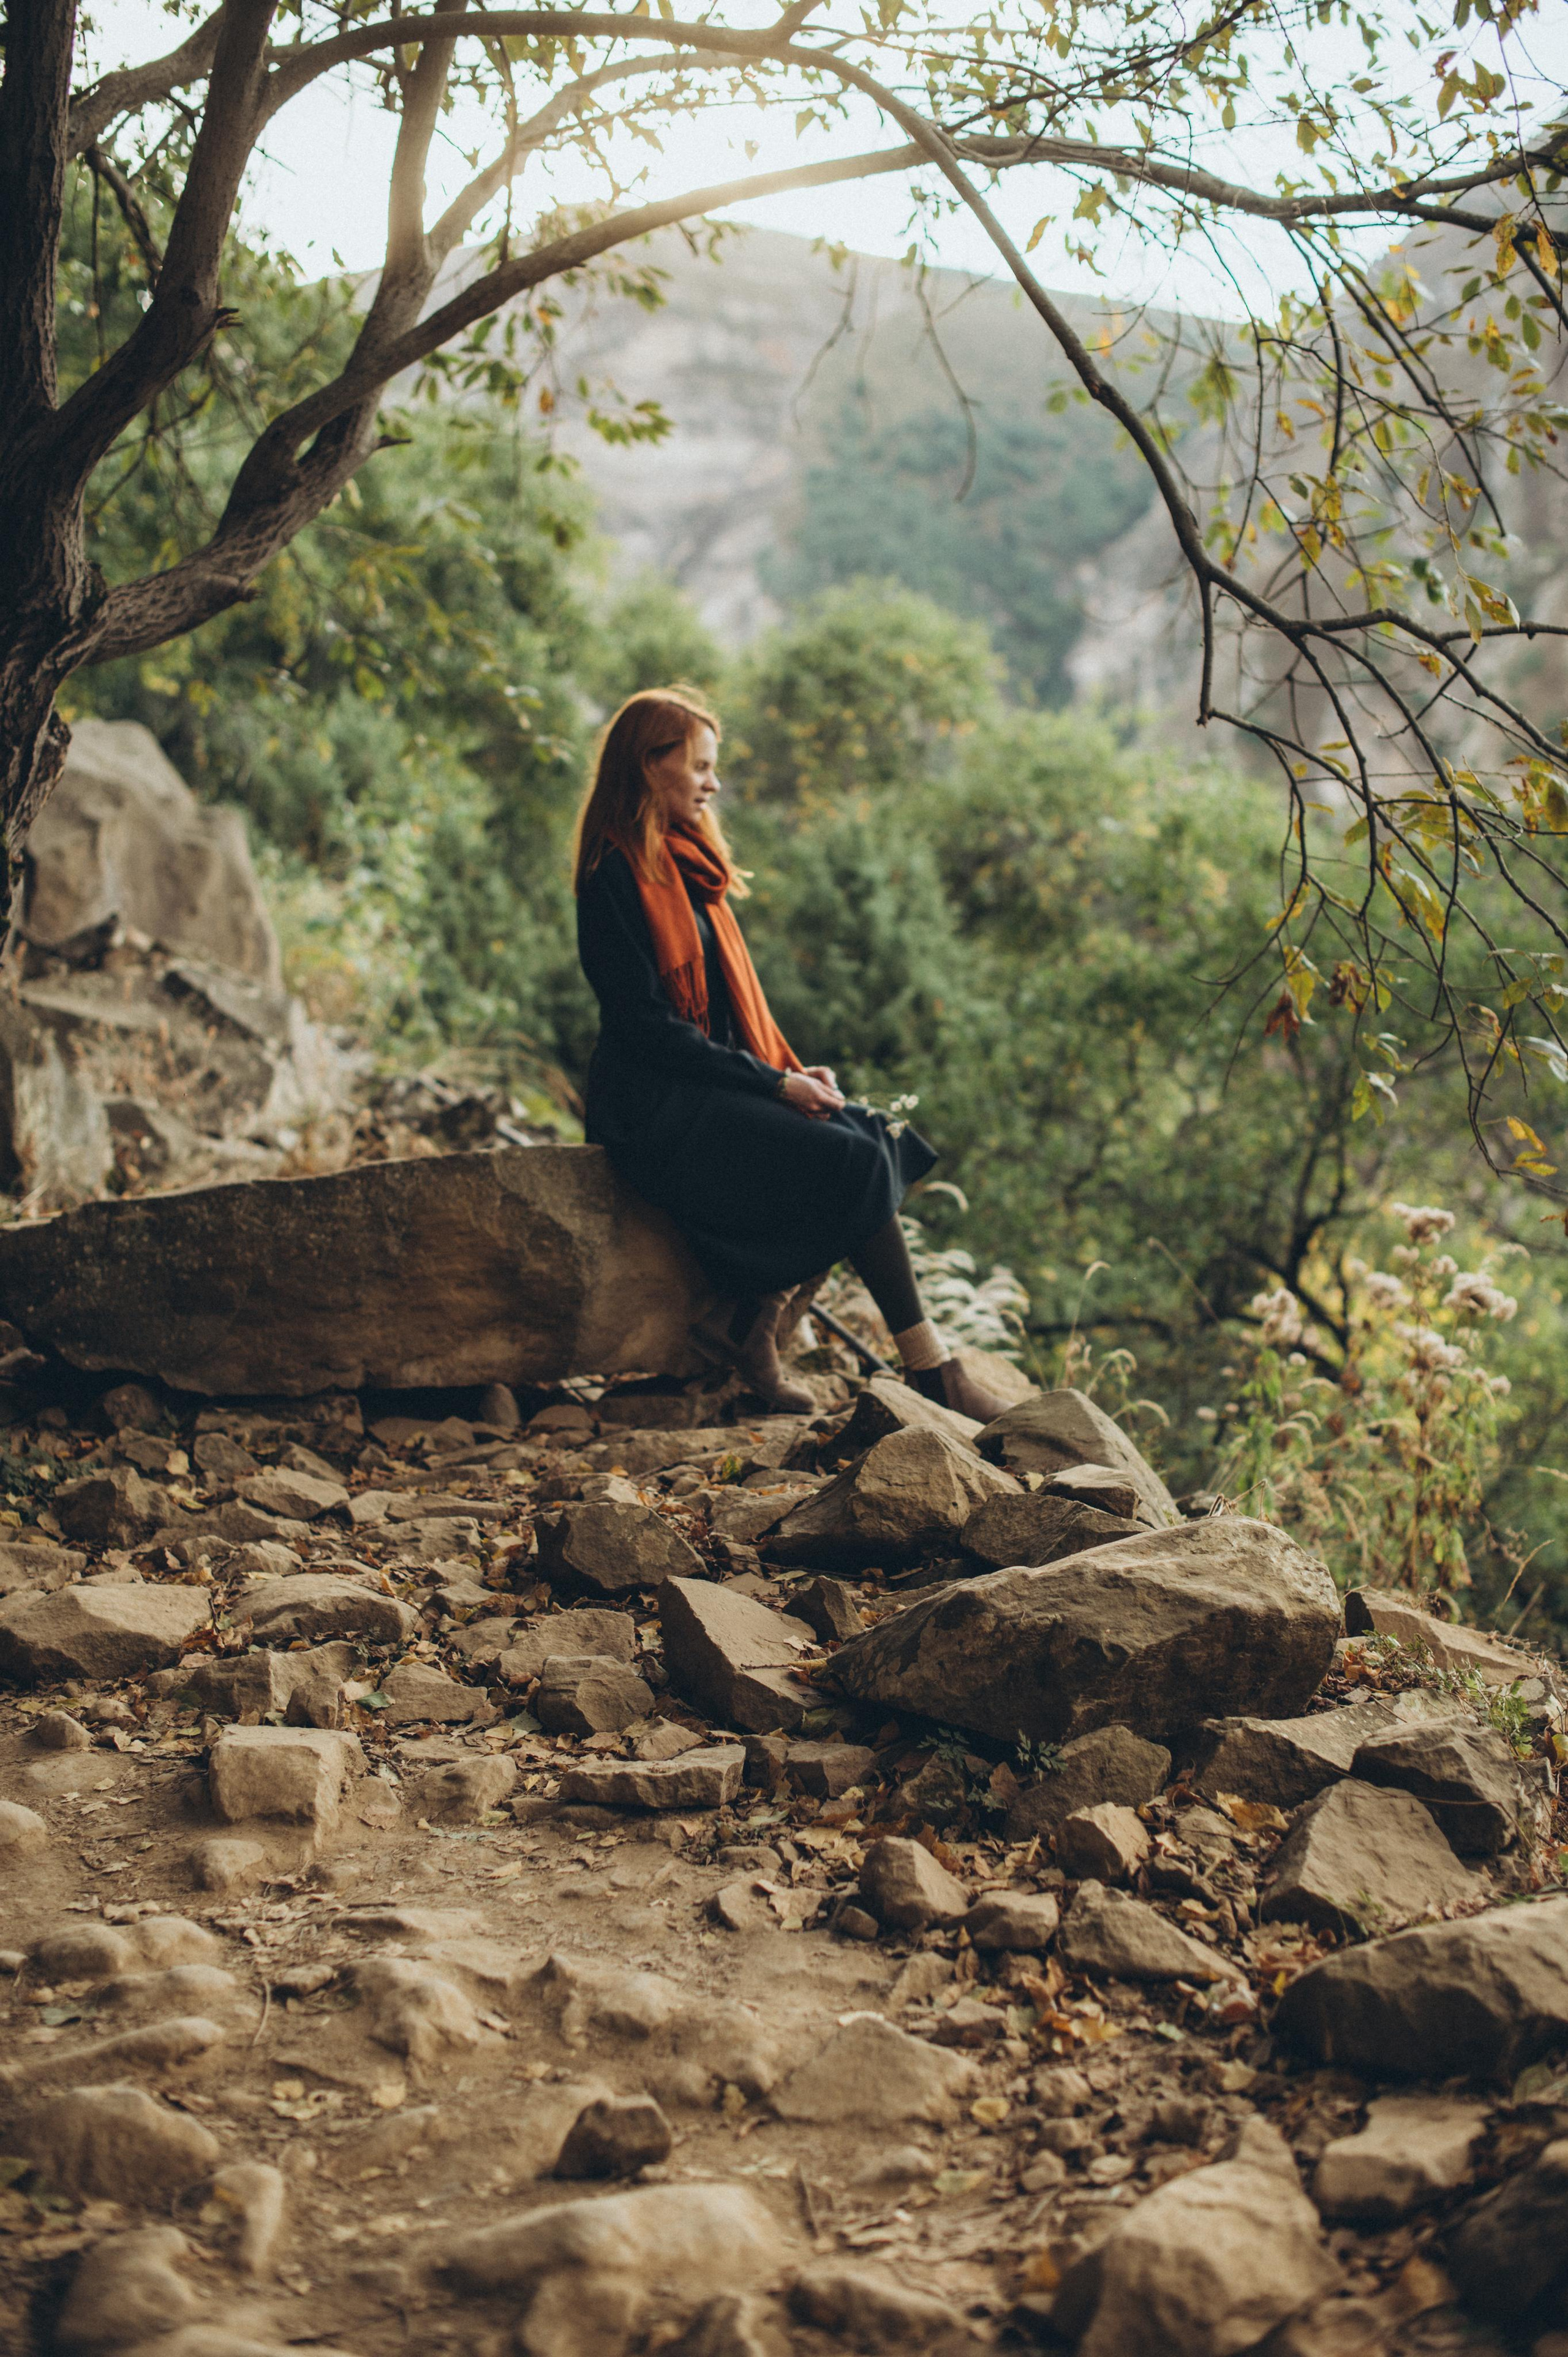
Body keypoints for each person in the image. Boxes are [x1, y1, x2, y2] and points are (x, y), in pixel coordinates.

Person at [573, 686, 1013, 1421]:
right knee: (848, 1160)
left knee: (875, 1132)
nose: (714, 784)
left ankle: (749, 1323)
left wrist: (790, 1071)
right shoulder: (612, 874)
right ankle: (928, 1370)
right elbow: (648, 1028)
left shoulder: (691, 867)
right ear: (651, 765)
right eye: (701, 765)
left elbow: (720, 1010)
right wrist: (774, 1087)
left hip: (706, 1084)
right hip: (652, 1105)